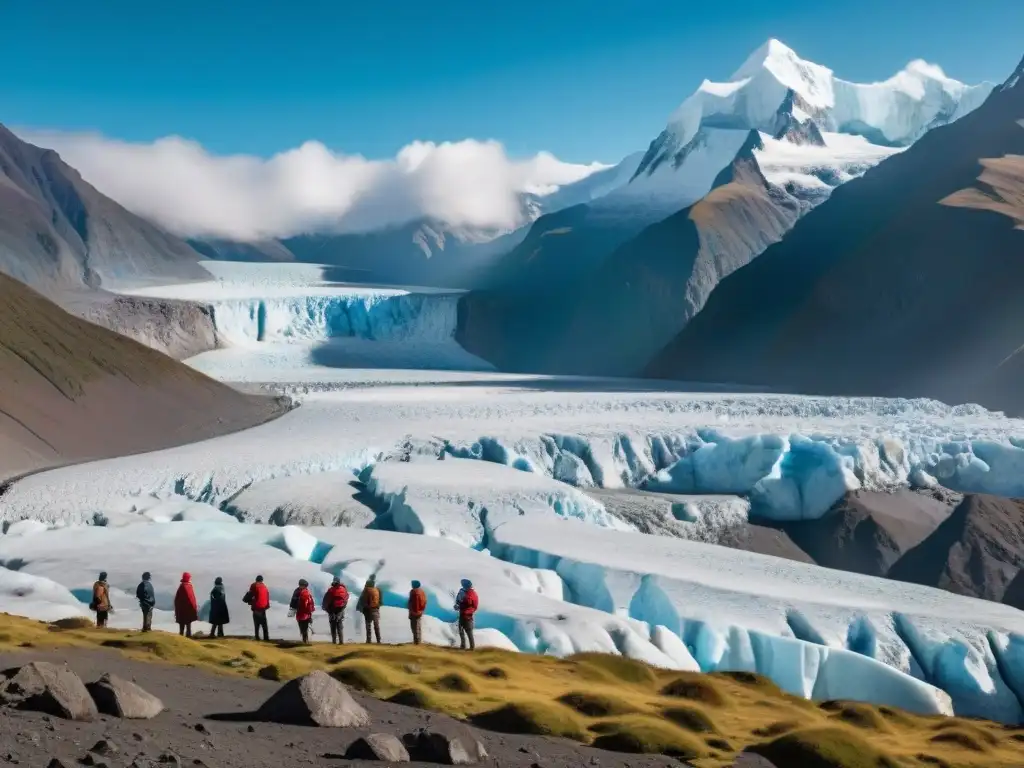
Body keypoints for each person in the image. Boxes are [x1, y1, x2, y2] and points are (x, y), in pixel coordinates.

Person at [243, 575, 271, 641]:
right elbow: (267, 597)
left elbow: (250, 594)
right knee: (264, 625)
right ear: (262, 580)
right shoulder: (265, 587)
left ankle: (257, 638)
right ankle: (266, 638)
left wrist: (246, 600)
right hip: (263, 608)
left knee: (257, 624)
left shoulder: (254, 585)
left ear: (256, 580)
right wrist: (266, 606)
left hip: (256, 608)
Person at [322, 577, 349, 645]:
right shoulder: (344, 590)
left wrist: (326, 608)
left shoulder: (331, 590)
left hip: (332, 610)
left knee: (333, 625)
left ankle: (334, 641)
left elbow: (327, 600)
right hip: (341, 610)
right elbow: (346, 599)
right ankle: (341, 641)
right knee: (339, 625)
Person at [454, 578, 478, 651]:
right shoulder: (471, 593)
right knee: (464, 631)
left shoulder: (470, 594)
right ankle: (466, 646)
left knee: (467, 631)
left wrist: (461, 608)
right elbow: (474, 606)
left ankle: (469, 647)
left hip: (466, 615)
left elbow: (472, 606)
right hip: (465, 614)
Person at [356, 575, 381, 644]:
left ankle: (369, 640)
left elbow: (362, 600)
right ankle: (378, 640)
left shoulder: (366, 590)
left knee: (368, 625)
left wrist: (361, 608)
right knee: (376, 625)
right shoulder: (377, 590)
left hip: (368, 610)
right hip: (376, 609)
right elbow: (380, 601)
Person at [173, 572, 199, 638]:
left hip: (181, 610)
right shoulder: (189, 586)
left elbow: (177, 599)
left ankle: (181, 637)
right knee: (188, 624)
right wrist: (194, 608)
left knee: (182, 625)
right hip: (189, 610)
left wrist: (177, 608)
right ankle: (188, 636)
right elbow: (192, 598)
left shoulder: (181, 586)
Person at [293, 579, 315, 644]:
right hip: (305, 613)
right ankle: (305, 639)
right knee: (304, 627)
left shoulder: (297, 592)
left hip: (301, 613)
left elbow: (293, 602)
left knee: (303, 627)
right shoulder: (306, 592)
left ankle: (305, 639)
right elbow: (311, 603)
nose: (305, 587)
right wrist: (311, 611)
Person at [408, 580, 427, 645]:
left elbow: (414, 602)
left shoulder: (413, 592)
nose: (411, 585)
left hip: (414, 612)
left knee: (414, 627)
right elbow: (425, 601)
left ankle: (416, 642)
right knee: (418, 626)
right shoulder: (422, 592)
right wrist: (421, 610)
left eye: (412, 584)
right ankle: (419, 640)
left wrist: (413, 611)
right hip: (420, 612)